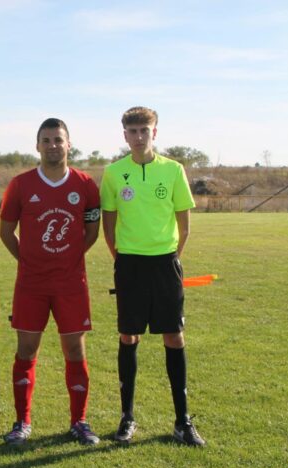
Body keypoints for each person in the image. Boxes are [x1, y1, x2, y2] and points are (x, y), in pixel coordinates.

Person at [100, 106, 205, 446]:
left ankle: (182, 421)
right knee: (129, 336)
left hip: (165, 264)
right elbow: (109, 224)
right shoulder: (115, 173)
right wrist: (123, 258)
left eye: (145, 130)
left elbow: (184, 225)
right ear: (125, 135)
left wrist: (170, 257)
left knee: (173, 335)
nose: (139, 136)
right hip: (130, 264)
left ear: (155, 133)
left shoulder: (173, 171)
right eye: (133, 131)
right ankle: (127, 418)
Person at [0, 118, 101, 446]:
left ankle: (79, 422)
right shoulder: (20, 184)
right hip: (31, 284)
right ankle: (22, 422)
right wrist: (29, 261)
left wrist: (67, 259)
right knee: (26, 350)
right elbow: (5, 231)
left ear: (69, 144)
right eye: (46, 140)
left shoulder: (86, 185)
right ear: (37, 145)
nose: (53, 145)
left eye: (58, 139)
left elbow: (91, 232)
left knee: (74, 348)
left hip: (71, 283)